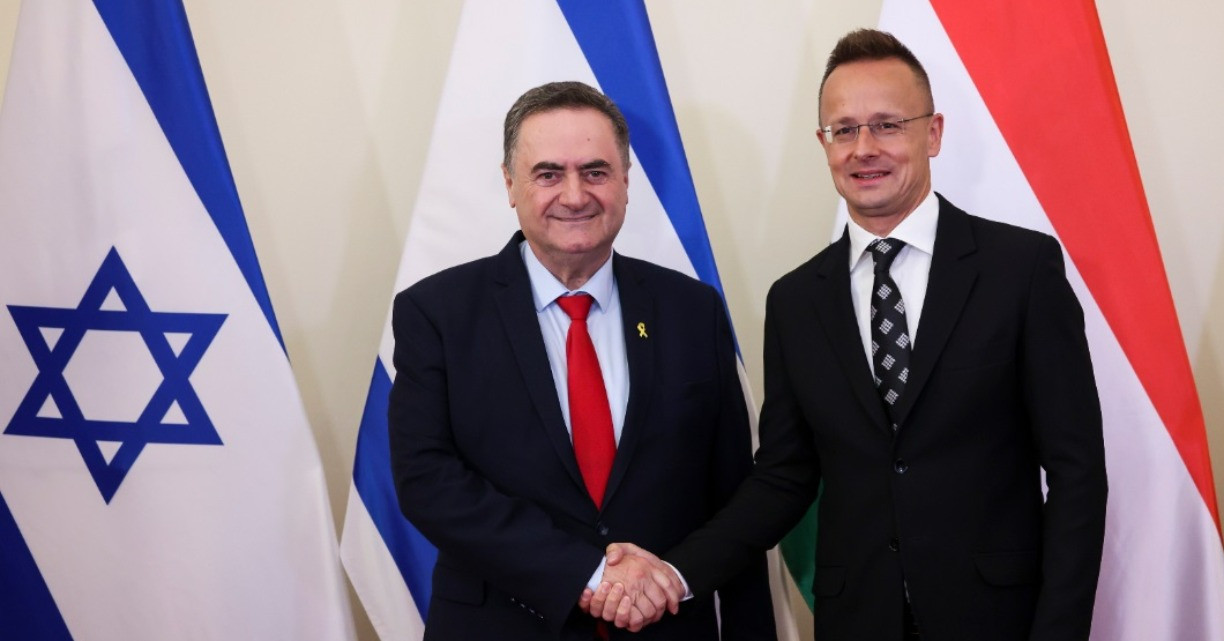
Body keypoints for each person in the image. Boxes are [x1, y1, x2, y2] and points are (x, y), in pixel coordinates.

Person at [586, 29, 1107, 640]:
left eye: (887, 125)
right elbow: (783, 478)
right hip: (857, 620)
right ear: (824, 143)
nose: (864, 148)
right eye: (844, 129)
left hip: (998, 621)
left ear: (933, 133)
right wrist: (675, 573)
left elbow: (1077, 473)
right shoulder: (795, 301)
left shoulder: (1020, 270)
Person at [388, 81, 774, 640]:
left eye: (595, 172)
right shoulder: (437, 313)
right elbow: (428, 481)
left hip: (666, 626)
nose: (574, 195)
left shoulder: (692, 310)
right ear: (510, 184)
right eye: (548, 174)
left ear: (626, 181)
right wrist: (590, 575)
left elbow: (734, 495)